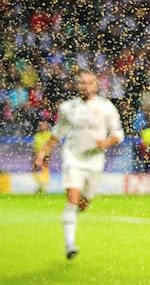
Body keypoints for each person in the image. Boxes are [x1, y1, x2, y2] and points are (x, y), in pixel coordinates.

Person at [34, 69, 124, 259]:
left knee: (83, 203)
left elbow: (118, 133)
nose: (85, 86)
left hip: (95, 162)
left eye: (90, 82)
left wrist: (107, 142)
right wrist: (42, 153)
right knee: (72, 199)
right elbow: (57, 133)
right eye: (82, 83)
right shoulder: (68, 108)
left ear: (96, 85)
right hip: (73, 159)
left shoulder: (107, 107)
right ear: (77, 85)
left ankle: (73, 218)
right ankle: (70, 245)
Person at [32, 120, 52, 194]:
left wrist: (45, 154)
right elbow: (34, 146)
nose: (42, 127)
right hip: (36, 154)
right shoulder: (37, 135)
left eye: (43, 125)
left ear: (47, 126)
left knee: (45, 169)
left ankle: (44, 186)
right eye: (40, 125)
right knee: (35, 170)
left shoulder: (49, 135)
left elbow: (50, 146)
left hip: (46, 155)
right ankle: (39, 185)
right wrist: (36, 155)